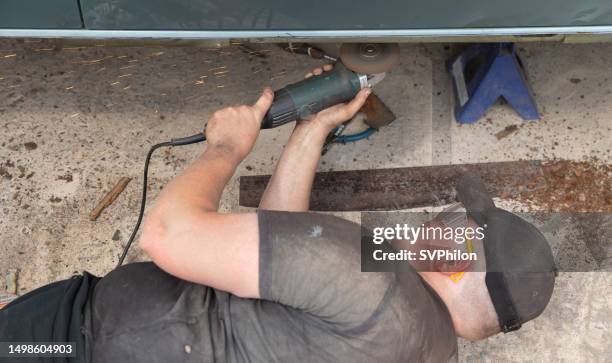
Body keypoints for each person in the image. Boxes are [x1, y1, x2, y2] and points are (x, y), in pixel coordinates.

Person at [0, 65, 556, 363]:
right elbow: (287, 261)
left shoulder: (377, 291)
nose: (437, 224)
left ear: (456, 264)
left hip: (76, 343)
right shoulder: (426, 343)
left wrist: (227, 148)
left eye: (453, 228)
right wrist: (311, 130)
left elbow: (167, 233)